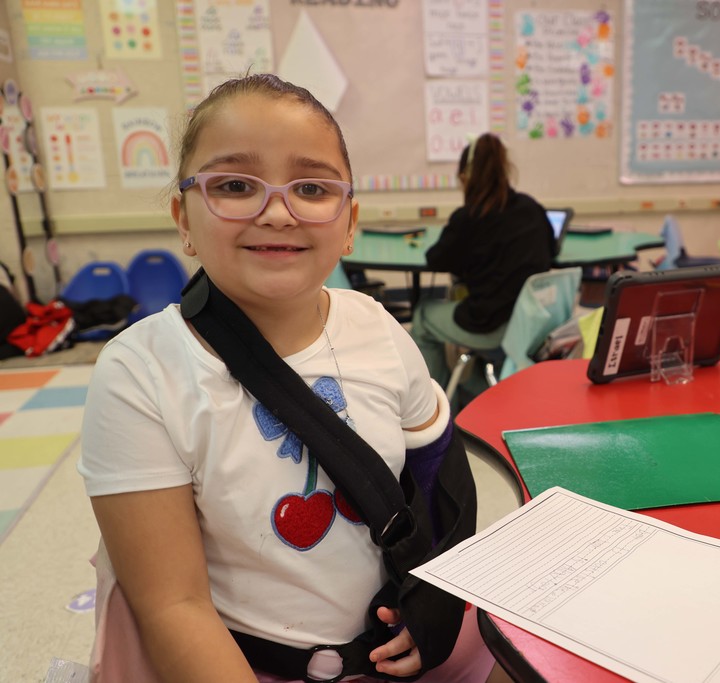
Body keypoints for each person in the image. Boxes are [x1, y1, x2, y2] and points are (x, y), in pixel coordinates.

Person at [77, 74, 505, 683]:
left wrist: (436, 598)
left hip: (401, 648)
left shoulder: (378, 329)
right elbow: (174, 607)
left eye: (311, 188)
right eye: (234, 185)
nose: (277, 212)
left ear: (349, 221)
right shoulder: (141, 373)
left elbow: (442, 486)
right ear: (183, 218)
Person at [411, 133, 555, 392]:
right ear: (504, 169)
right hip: (533, 325)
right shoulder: (532, 208)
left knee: (423, 315)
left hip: (491, 326)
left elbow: (436, 259)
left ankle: (435, 405)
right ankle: (477, 395)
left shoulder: (469, 218)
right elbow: (552, 251)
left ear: (465, 177)